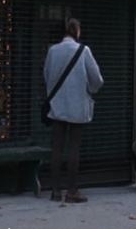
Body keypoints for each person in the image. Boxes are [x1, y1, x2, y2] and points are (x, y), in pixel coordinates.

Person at [43, 18, 104, 203]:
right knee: (73, 148)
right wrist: (89, 91)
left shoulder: (52, 51)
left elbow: (46, 75)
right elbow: (97, 80)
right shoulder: (83, 51)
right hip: (78, 106)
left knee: (57, 148)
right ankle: (72, 190)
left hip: (57, 105)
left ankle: (55, 191)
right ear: (77, 31)